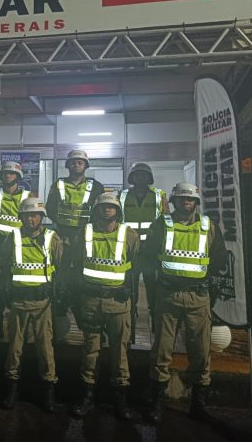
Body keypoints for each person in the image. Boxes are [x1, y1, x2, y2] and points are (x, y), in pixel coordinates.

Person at [143, 182, 227, 424]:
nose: (186, 202)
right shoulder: (160, 225)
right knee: (161, 351)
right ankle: (157, 402)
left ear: (196, 203)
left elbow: (219, 261)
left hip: (198, 297)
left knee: (201, 352)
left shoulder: (209, 227)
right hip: (167, 295)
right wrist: (152, 297)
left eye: (190, 199)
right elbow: (148, 260)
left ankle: (198, 404)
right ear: (174, 201)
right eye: (181, 199)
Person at [70, 193, 140, 421]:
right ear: (96, 210)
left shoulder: (129, 235)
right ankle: (87, 396)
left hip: (118, 302)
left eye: (111, 207)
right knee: (90, 350)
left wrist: (132, 298)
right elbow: (74, 265)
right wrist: (75, 300)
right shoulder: (84, 233)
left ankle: (121, 399)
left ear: (117, 211)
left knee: (120, 351)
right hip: (90, 301)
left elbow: (136, 267)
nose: (107, 210)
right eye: (103, 206)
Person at [0, 197, 62, 412]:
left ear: (41, 217)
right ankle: (11, 387)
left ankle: (48, 388)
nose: (31, 219)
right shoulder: (13, 237)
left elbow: (60, 266)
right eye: (27, 215)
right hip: (18, 301)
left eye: (35, 215)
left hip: (43, 302)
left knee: (45, 348)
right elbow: (4, 265)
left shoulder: (52, 238)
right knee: (14, 348)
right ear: (21, 217)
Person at [119, 163, 169, 342]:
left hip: (151, 250)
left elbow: (166, 221)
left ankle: (156, 324)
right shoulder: (122, 195)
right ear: (132, 177)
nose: (140, 177)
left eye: (144, 175)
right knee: (130, 287)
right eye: (137, 174)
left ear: (149, 178)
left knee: (153, 287)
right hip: (129, 248)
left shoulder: (159, 195)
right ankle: (129, 323)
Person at [0, 161, 30, 341]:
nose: (8, 176)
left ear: (18, 177)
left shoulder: (27, 196)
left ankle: (20, 333)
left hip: (19, 250)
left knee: (18, 295)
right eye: (5, 173)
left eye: (11, 173)